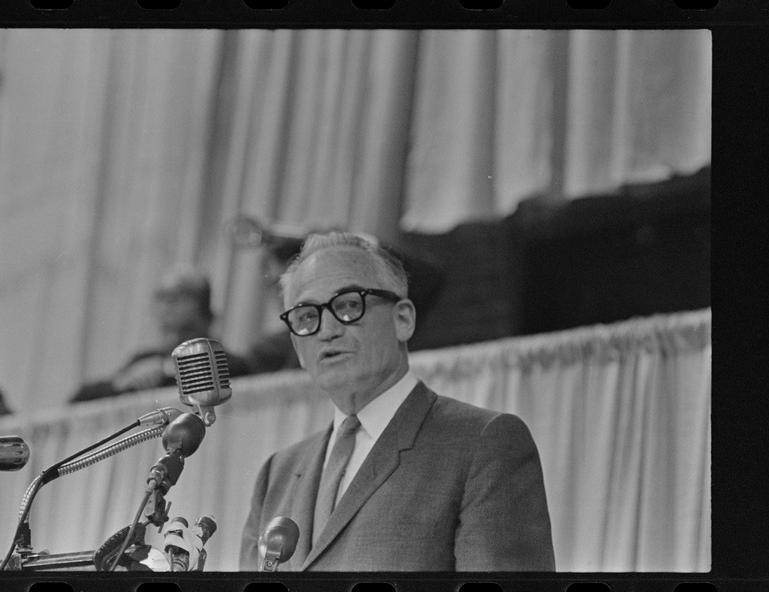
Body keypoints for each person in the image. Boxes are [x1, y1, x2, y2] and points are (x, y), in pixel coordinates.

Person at [239, 232, 555, 571]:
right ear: (297, 349)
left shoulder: (482, 444)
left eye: (347, 304)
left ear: (403, 319)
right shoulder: (278, 473)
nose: (326, 330)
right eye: (306, 316)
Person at [70, 266, 251, 402]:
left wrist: (165, 369)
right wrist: (121, 383)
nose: (166, 305)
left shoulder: (224, 362)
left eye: (178, 295)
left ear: (202, 305)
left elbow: (241, 372)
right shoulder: (143, 361)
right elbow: (79, 400)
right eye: (161, 296)